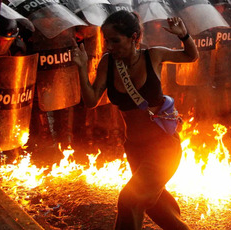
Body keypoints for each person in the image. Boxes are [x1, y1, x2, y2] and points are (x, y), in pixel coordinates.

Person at [73, 10, 199, 230]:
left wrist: (184, 36)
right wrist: (82, 69)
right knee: (153, 205)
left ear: (134, 37)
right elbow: (91, 100)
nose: (109, 46)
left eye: (115, 40)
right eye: (107, 41)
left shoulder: (154, 55)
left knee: (129, 199)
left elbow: (191, 56)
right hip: (134, 149)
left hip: (163, 147)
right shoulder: (108, 62)